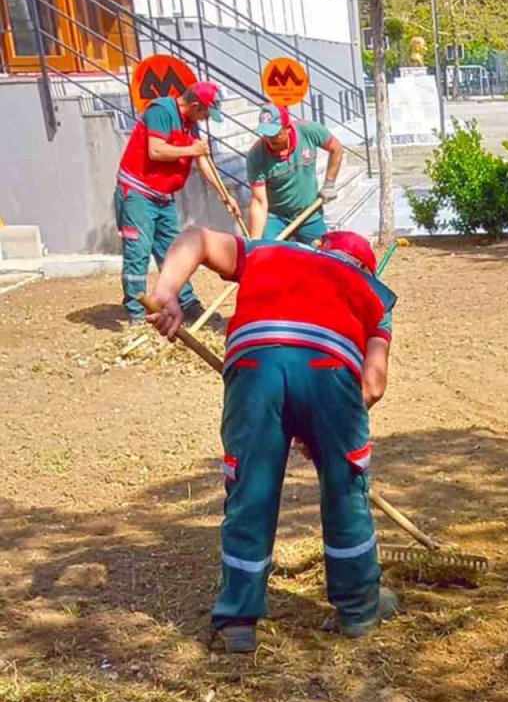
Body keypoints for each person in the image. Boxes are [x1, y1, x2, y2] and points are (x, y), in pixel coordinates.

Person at [145, 226, 398, 652]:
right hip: (329, 372)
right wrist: (322, 432)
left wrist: (167, 289)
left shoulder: (271, 251)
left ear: (320, 248)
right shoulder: (375, 295)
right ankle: (359, 608)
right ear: (366, 268)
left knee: (251, 491)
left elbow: (199, 239)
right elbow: (372, 384)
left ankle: (238, 623)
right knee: (345, 489)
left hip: (254, 366)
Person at [116, 82, 241, 324]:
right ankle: (136, 312)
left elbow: (202, 159)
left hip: (163, 195)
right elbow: (156, 151)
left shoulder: (191, 124)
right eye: (206, 113)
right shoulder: (161, 111)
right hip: (138, 192)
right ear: (195, 105)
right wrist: (191, 150)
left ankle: (186, 301)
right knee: (138, 251)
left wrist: (225, 195)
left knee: (176, 250)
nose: (206, 120)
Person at [245, 104, 344, 244]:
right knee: (269, 254)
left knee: (323, 256)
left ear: (288, 128)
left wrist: (329, 183)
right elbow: (259, 202)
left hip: (309, 213)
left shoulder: (309, 131)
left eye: (276, 134)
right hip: (276, 218)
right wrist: (253, 243)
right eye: (266, 134)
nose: (270, 139)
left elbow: (336, 148)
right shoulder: (256, 155)